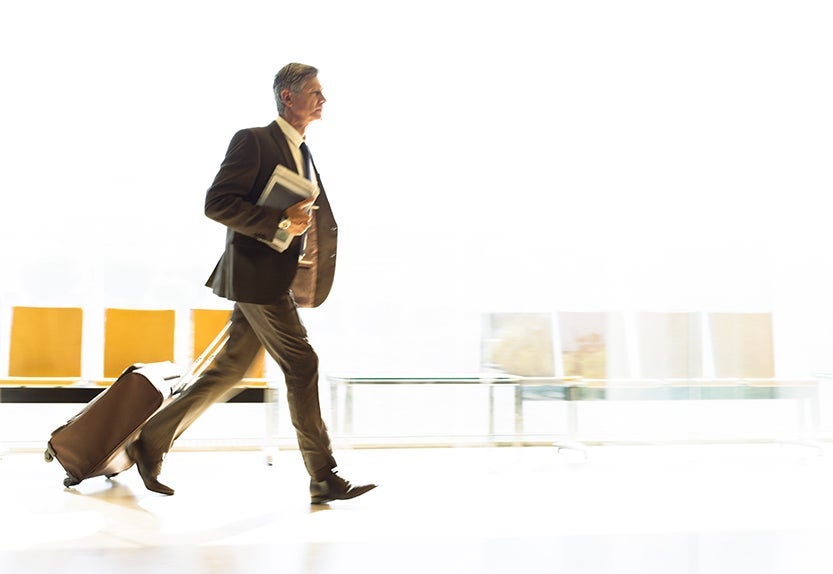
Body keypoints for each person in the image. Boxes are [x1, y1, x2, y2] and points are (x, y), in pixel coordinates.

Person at [126, 63, 376, 505]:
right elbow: (217, 203)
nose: (323, 100)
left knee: (229, 371)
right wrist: (280, 219)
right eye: (315, 92)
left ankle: (149, 441)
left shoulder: (302, 150)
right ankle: (324, 475)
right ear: (288, 97)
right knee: (303, 364)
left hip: (269, 277)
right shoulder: (254, 140)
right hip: (256, 277)